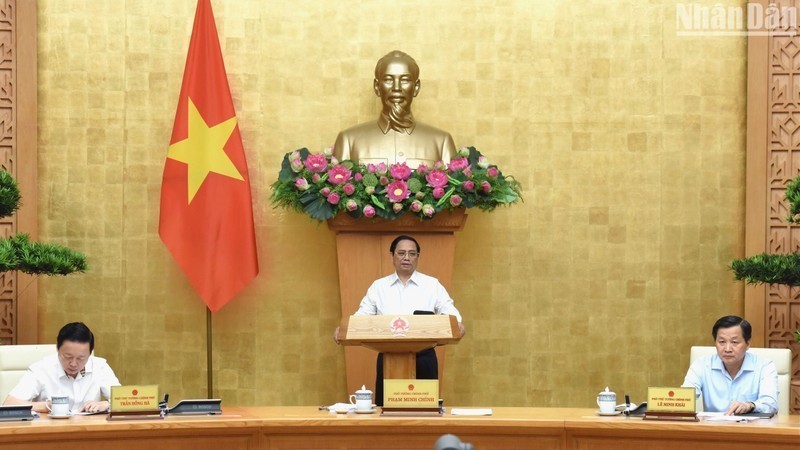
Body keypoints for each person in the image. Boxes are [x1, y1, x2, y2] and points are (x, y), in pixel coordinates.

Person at [334, 235, 465, 406]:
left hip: (424, 357)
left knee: (424, 413)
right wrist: (345, 329)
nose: (406, 258)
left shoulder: (432, 285)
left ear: (418, 257)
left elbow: (452, 315)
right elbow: (362, 317)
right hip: (389, 356)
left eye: (412, 254)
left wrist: (458, 324)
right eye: (401, 253)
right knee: (387, 414)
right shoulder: (379, 287)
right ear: (392, 256)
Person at [333, 50, 456, 169]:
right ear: (377, 87)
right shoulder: (348, 141)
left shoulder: (441, 142)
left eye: (405, 80)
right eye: (388, 79)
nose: (396, 87)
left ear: (416, 87)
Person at [3, 322, 120, 414]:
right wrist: (47, 406)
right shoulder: (41, 369)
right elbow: (9, 403)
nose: (73, 364)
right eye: (68, 356)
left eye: (81, 358)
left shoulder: (100, 367)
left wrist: (106, 404)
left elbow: (125, 402)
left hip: (89, 434)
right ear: (57, 349)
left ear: (90, 354)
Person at [682, 315, 778, 415]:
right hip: (713, 428)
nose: (727, 349)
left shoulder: (765, 366)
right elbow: (685, 397)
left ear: (748, 343)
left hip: (751, 428)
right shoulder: (701, 365)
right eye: (722, 342)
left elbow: (771, 405)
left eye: (734, 342)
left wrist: (750, 405)